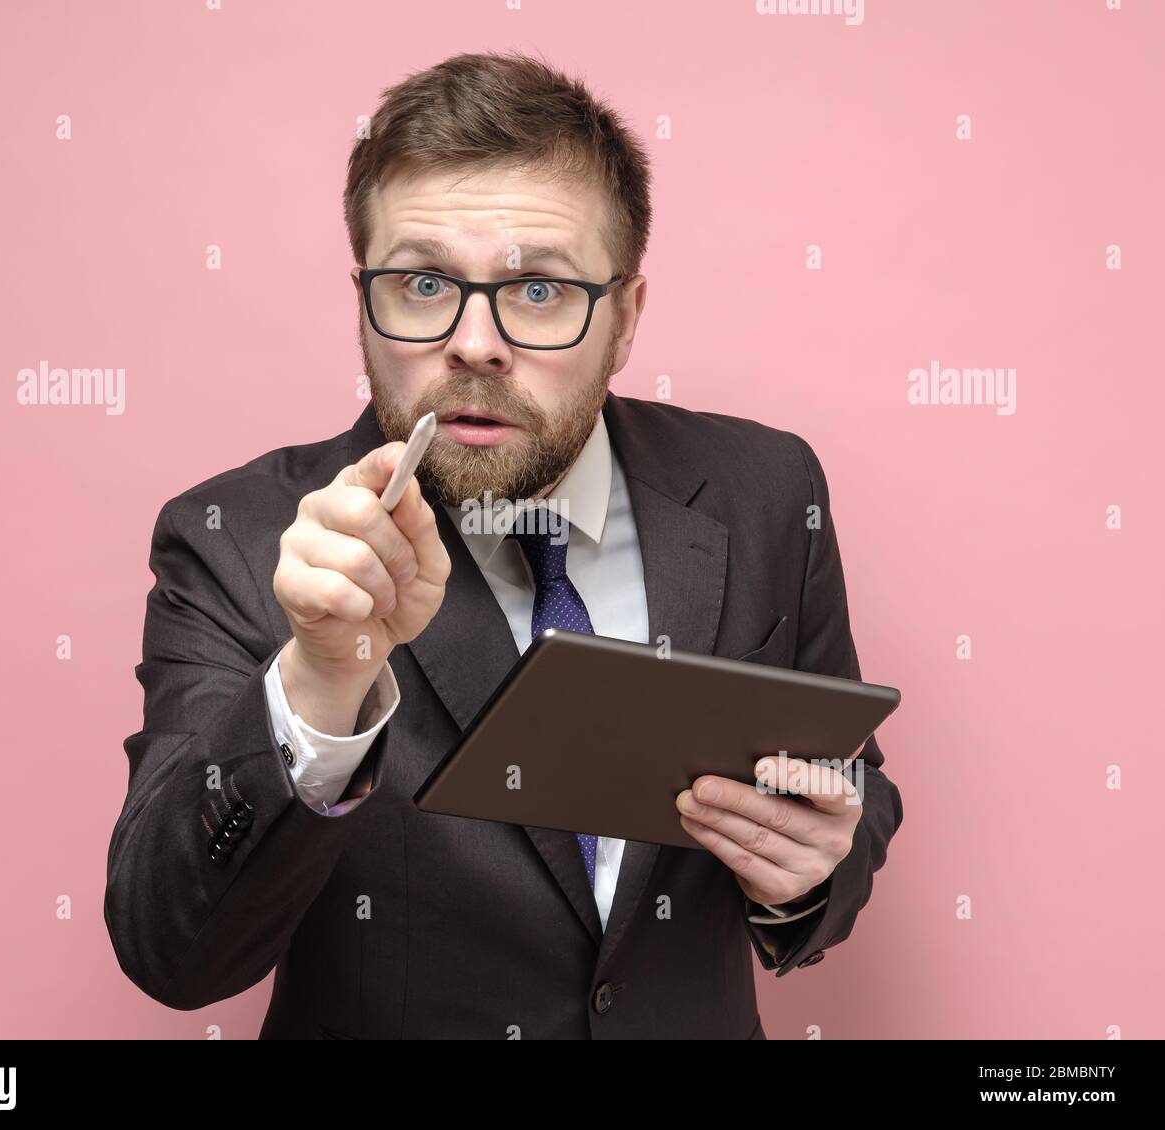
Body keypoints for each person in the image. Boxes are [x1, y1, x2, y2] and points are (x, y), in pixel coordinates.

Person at [104, 49, 903, 1039]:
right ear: (364, 300)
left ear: (625, 319)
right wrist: (319, 676)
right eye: (424, 280)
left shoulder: (768, 491)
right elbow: (169, 948)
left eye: (538, 291)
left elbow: (850, 777)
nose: (476, 343)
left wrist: (812, 864)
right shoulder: (235, 539)